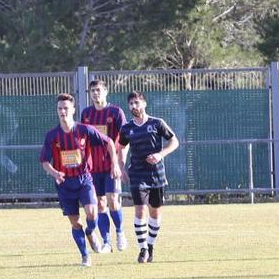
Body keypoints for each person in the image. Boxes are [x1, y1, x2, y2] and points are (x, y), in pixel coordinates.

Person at [40, 93, 120, 267]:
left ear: (73, 110)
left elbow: (109, 142)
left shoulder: (84, 130)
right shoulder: (52, 136)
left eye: (66, 108)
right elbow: (45, 162)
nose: (63, 111)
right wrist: (55, 173)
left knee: (92, 212)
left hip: (84, 179)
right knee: (75, 221)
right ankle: (85, 256)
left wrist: (114, 163)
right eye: (60, 108)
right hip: (64, 184)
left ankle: (91, 232)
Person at [116, 91, 180, 264]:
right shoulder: (127, 128)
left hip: (156, 175)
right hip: (137, 174)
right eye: (131, 104)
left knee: (155, 213)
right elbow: (120, 148)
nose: (133, 107)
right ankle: (143, 248)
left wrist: (160, 154)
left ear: (144, 104)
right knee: (140, 210)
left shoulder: (157, 123)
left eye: (136, 103)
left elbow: (174, 141)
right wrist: (121, 168)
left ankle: (150, 245)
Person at [80, 80, 128, 253]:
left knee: (113, 201)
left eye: (98, 90)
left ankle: (120, 233)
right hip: (93, 168)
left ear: (106, 92)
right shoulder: (86, 114)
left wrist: (120, 163)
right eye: (92, 90)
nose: (95, 93)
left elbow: (124, 139)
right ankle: (107, 242)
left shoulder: (115, 112)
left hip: (111, 165)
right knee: (100, 204)